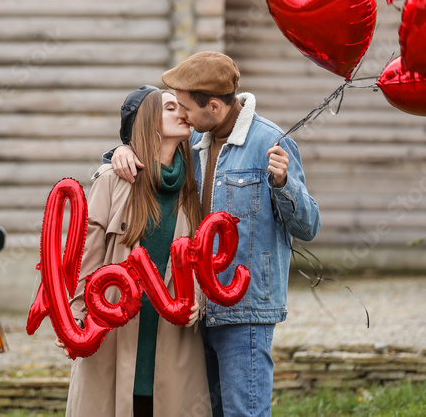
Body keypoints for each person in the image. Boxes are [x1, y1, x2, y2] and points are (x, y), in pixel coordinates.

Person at [111, 52, 321, 417]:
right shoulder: (193, 145)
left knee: (245, 412)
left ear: (214, 107)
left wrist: (285, 183)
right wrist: (116, 153)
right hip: (194, 309)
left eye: (188, 108)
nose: (183, 117)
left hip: (244, 313)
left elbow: (308, 225)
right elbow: (152, 156)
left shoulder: (270, 143)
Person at [64, 86, 212, 417]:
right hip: (113, 342)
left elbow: (203, 262)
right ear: (148, 122)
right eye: (171, 108)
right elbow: (84, 257)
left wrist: (199, 301)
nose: (182, 113)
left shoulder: (194, 185)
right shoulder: (111, 180)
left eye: (181, 107)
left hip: (174, 347)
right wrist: (74, 322)